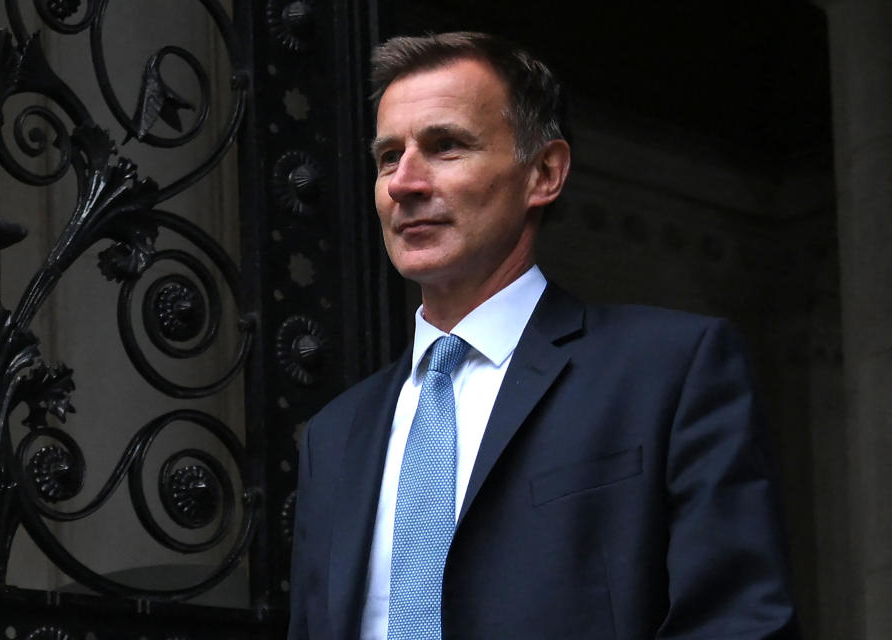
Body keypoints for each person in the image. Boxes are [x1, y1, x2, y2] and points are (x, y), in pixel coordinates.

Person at [288, 31, 798, 640]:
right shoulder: (335, 435)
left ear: (545, 173)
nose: (405, 182)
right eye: (388, 157)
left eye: (446, 146)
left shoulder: (669, 370)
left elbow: (736, 624)